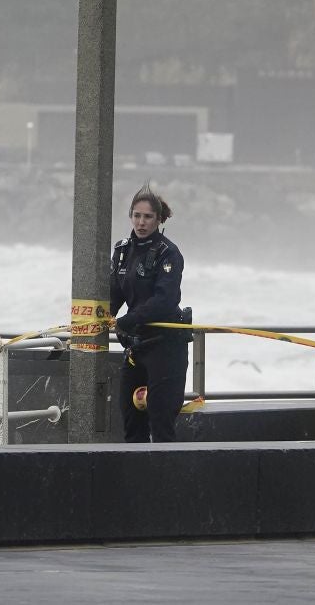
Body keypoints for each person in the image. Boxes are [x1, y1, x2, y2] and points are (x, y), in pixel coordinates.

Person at [110, 185, 189, 443]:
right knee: (131, 421)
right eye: (137, 215)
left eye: (147, 217)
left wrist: (127, 321)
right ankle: (135, 469)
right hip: (135, 347)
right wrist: (101, 318)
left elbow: (164, 301)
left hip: (165, 347)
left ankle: (165, 468)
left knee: (161, 423)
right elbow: (114, 293)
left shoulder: (169, 253)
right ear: (130, 216)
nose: (141, 222)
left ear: (158, 219)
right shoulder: (122, 251)